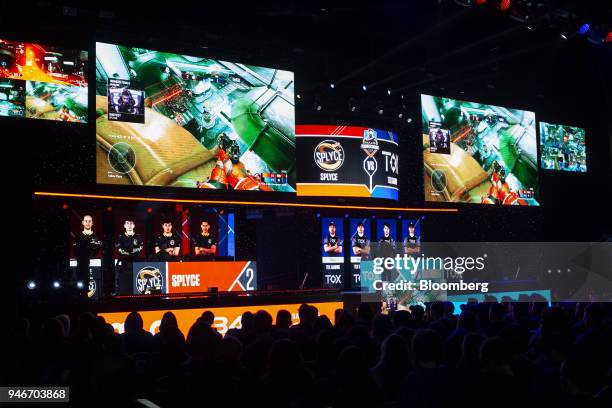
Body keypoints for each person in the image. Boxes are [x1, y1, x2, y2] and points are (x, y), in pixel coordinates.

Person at [115, 220, 143, 294]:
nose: (129, 225)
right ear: (124, 226)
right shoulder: (121, 237)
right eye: (127, 224)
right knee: (124, 279)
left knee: (135, 278)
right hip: (124, 261)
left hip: (135, 261)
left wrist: (131, 252)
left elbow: (140, 248)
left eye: (131, 224)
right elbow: (119, 248)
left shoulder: (138, 236)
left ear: (134, 225)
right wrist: (127, 253)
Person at [73, 215, 102, 283]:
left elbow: (97, 250)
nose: (88, 223)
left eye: (89, 221)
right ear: (83, 222)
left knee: (87, 281)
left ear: (92, 223)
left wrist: (89, 255)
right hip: (80, 263)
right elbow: (75, 250)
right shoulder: (78, 236)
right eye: (86, 221)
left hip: (90, 263)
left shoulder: (95, 237)